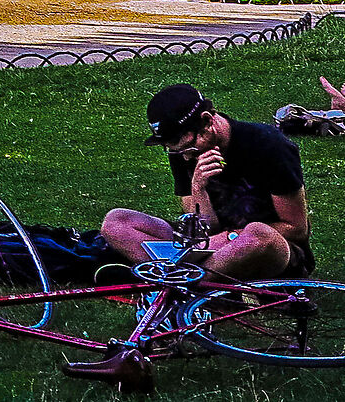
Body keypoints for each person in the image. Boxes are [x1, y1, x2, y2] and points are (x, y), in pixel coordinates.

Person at [101, 84, 313, 281]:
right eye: (175, 150)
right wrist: (198, 188)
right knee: (116, 222)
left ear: (207, 121)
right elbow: (204, 228)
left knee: (258, 235)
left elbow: (296, 228)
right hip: (209, 245)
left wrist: (230, 237)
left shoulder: (270, 146)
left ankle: (183, 282)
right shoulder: (182, 150)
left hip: (266, 247)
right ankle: (178, 277)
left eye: (188, 148)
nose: (184, 157)